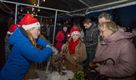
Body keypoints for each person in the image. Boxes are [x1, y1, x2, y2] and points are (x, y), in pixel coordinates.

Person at [0, 13, 53, 80]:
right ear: (30, 29)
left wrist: (46, 44)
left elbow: (38, 39)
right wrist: (49, 49)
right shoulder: (22, 42)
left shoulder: (24, 35)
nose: (39, 32)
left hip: (16, 74)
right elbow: (39, 57)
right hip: (11, 76)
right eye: (38, 29)